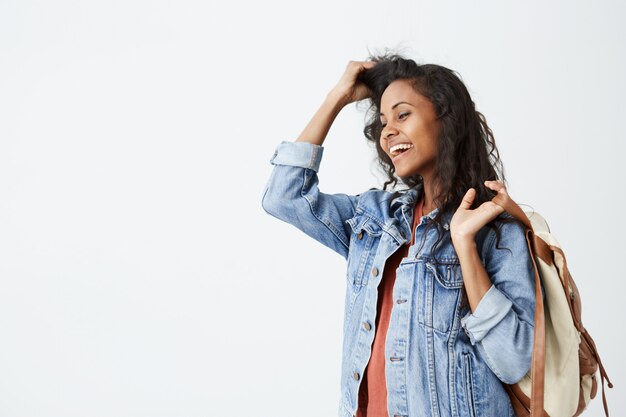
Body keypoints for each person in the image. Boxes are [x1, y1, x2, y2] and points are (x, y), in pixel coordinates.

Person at [261, 52, 537, 417]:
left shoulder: (498, 232)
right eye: (383, 121)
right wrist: (337, 97)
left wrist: (465, 247)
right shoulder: (376, 221)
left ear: (446, 119)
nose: (388, 132)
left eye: (402, 115)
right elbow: (284, 196)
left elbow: (516, 361)